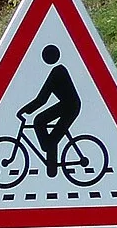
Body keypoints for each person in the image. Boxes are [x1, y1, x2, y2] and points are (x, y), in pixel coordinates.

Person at [17, 43, 81, 176]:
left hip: (71, 107)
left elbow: (42, 99)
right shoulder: (57, 71)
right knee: (40, 121)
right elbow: (42, 98)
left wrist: (25, 110)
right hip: (66, 104)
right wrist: (27, 110)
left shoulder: (58, 72)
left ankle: (52, 165)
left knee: (46, 133)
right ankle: (50, 164)